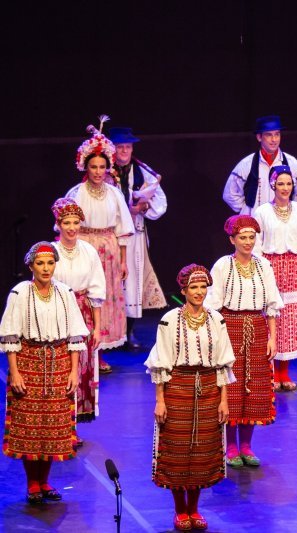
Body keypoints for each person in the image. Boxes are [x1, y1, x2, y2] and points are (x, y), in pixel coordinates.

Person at [145, 264, 235, 531]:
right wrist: (160, 400)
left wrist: (224, 400)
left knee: (201, 450)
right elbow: (160, 363)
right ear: (183, 290)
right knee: (178, 450)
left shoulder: (216, 319)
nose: (199, 292)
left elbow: (222, 364)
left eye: (202, 287)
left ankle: (194, 509)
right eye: (193, 287)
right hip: (178, 388)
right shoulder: (169, 320)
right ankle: (179, 509)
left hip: (208, 388)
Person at [0, 242, 89, 504]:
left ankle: (45, 481)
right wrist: (14, 373)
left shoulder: (64, 292)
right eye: (40, 263)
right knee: (31, 427)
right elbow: (10, 336)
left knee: (53, 427)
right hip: (29, 361)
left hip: (59, 361)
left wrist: (74, 371)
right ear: (31, 266)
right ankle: (32, 483)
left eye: (50, 263)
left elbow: (75, 334)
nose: (46, 268)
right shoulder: (20, 293)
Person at [206, 215, 283, 468]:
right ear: (232, 239)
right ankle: (229, 446)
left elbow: (271, 304)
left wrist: (272, 337)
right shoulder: (223, 266)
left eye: (251, 237)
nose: (248, 242)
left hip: (257, 329)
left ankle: (247, 446)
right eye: (243, 238)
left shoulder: (263, 266)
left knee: (255, 388)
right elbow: (214, 305)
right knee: (232, 387)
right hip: (230, 327)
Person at [66, 116, 135, 373]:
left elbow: (124, 229)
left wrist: (123, 260)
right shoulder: (76, 193)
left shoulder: (115, 193)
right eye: (93, 166)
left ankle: (100, 352)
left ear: (108, 167)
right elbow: (63, 226)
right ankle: (80, 350)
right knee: (84, 297)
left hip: (108, 249)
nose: (97, 171)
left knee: (104, 301)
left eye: (101, 167)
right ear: (86, 167)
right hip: (83, 246)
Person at [252, 166, 297, 391]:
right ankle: (270, 373)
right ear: (272, 185)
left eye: (289, 184)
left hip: (296, 269)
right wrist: (260, 276)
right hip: (272, 268)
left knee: (291, 321)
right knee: (272, 319)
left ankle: (284, 373)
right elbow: (256, 248)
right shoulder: (261, 212)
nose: (285, 188)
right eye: (281, 183)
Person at [50, 198, 106, 443]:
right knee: (59, 369)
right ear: (58, 224)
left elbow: (96, 288)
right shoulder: (50, 252)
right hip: (58, 312)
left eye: (75, 222)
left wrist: (97, 327)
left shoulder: (88, 250)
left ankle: (72, 427)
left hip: (82, 313)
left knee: (80, 371)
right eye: (66, 223)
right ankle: (59, 424)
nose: (72, 227)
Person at [109, 126, 168, 349]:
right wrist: (126, 209)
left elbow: (161, 202)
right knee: (110, 283)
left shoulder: (143, 170)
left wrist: (143, 207)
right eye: (120, 146)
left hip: (134, 235)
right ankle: (111, 332)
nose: (124, 151)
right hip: (110, 234)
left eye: (128, 146)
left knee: (131, 282)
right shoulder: (104, 170)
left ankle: (129, 330)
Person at [223, 115, 297, 214]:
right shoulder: (246, 164)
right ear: (259, 137)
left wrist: (289, 212)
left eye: (277, 134)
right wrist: (248, 211)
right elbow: (230, 194)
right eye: (269, 135)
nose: (274, 139)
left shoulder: (292, 163)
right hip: (255, 224)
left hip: (282, 224)